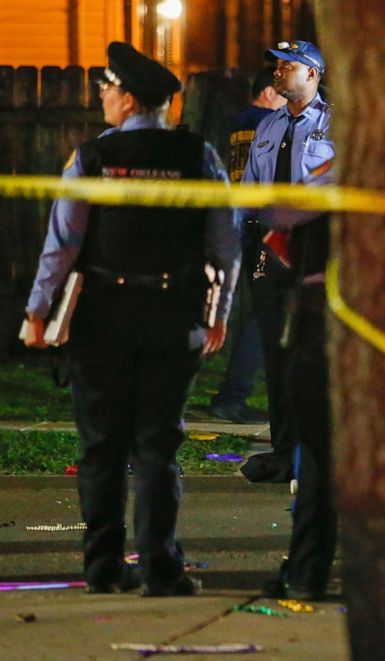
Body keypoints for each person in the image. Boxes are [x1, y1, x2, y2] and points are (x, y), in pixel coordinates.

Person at [22, 42, 239, 596]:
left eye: (106, 89)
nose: (101, 97)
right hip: (173, 316)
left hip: (101, 319)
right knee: (157, 447)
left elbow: (62, 246)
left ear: (127, 98)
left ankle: (102, 566)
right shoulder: (200, 158)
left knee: (101, 445)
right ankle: (162, 567)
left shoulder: (90, 159)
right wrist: (219, 315)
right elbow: (225, 246)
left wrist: (38, 312)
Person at [240, 40, 336, 600]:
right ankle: (284, 449)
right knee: (275, 353)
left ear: (315, 74)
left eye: (290, 64)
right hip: (269, 247)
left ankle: (309, 452)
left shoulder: (334, 127)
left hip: (314, 252)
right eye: (276, 62)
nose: (279, 69)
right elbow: (253, 190)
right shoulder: (268, 124)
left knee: (308, 352)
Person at [209, 66, 287, 424]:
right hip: (261, 226)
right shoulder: (270, 122)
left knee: (244, 309)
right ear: (269, 93)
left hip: (236, 224)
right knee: (264, 311)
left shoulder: (240, 122)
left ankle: (230, 392)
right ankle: (233, 395)